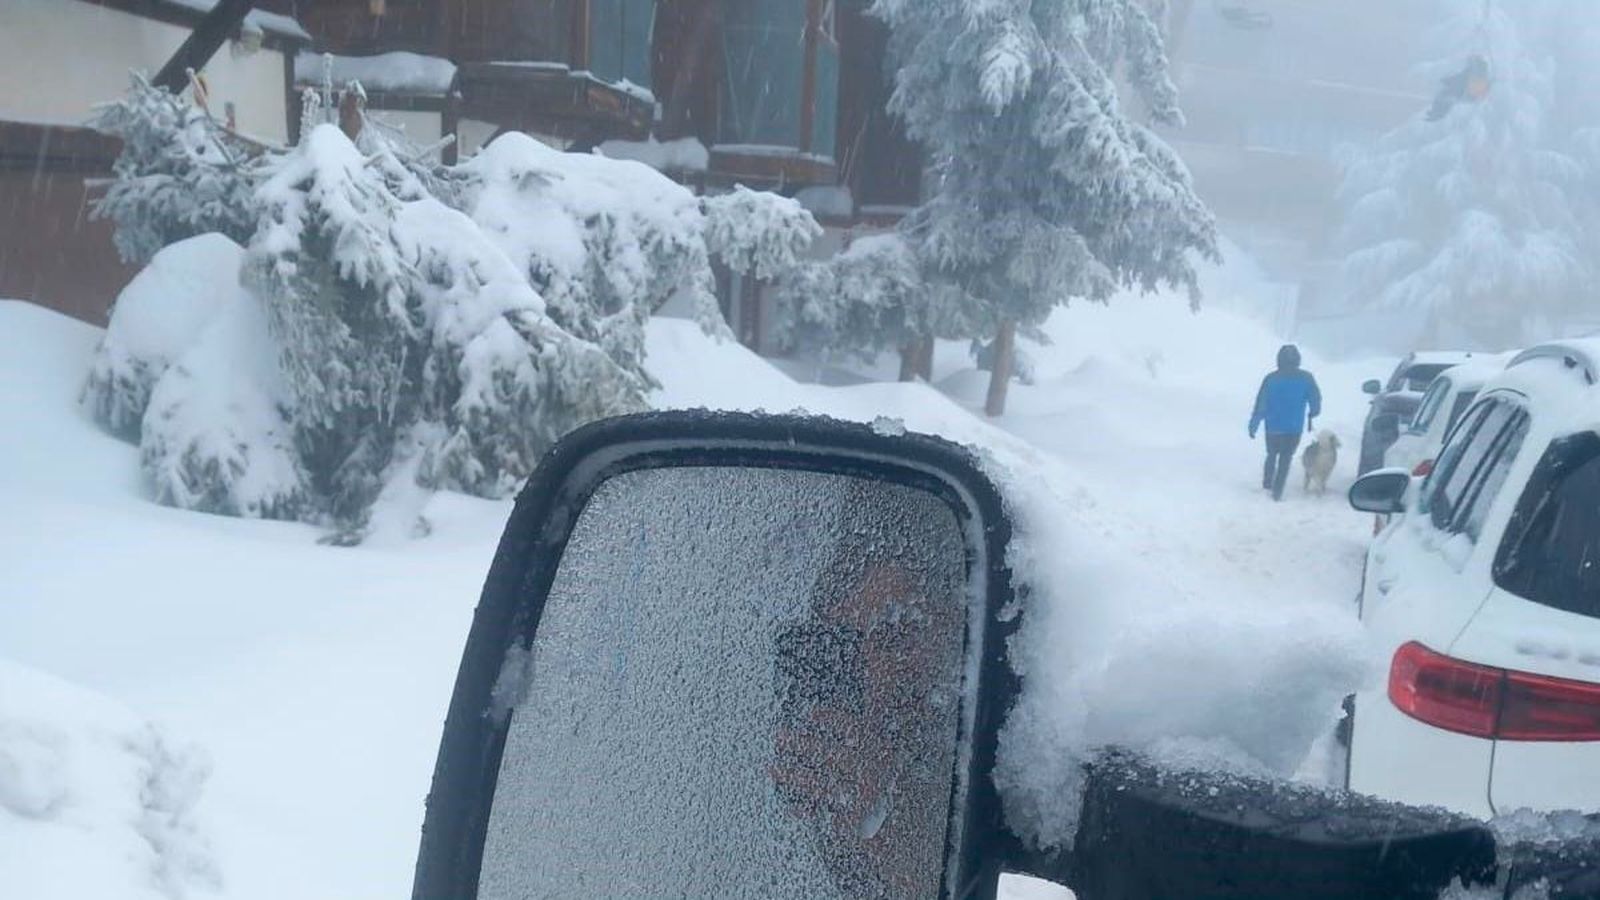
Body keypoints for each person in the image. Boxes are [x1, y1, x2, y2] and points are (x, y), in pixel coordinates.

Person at [1249, 344, 1322, 501]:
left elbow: (1261, 403)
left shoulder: (1271, 379)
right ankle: (1277, 491)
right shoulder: (1306, 378)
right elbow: (1315, 398)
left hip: (1273, 427)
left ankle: (1267, 485)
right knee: (1285, 458)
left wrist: (1254, 424)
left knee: (1271, 454)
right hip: (1293, 427)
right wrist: (1314, 412)